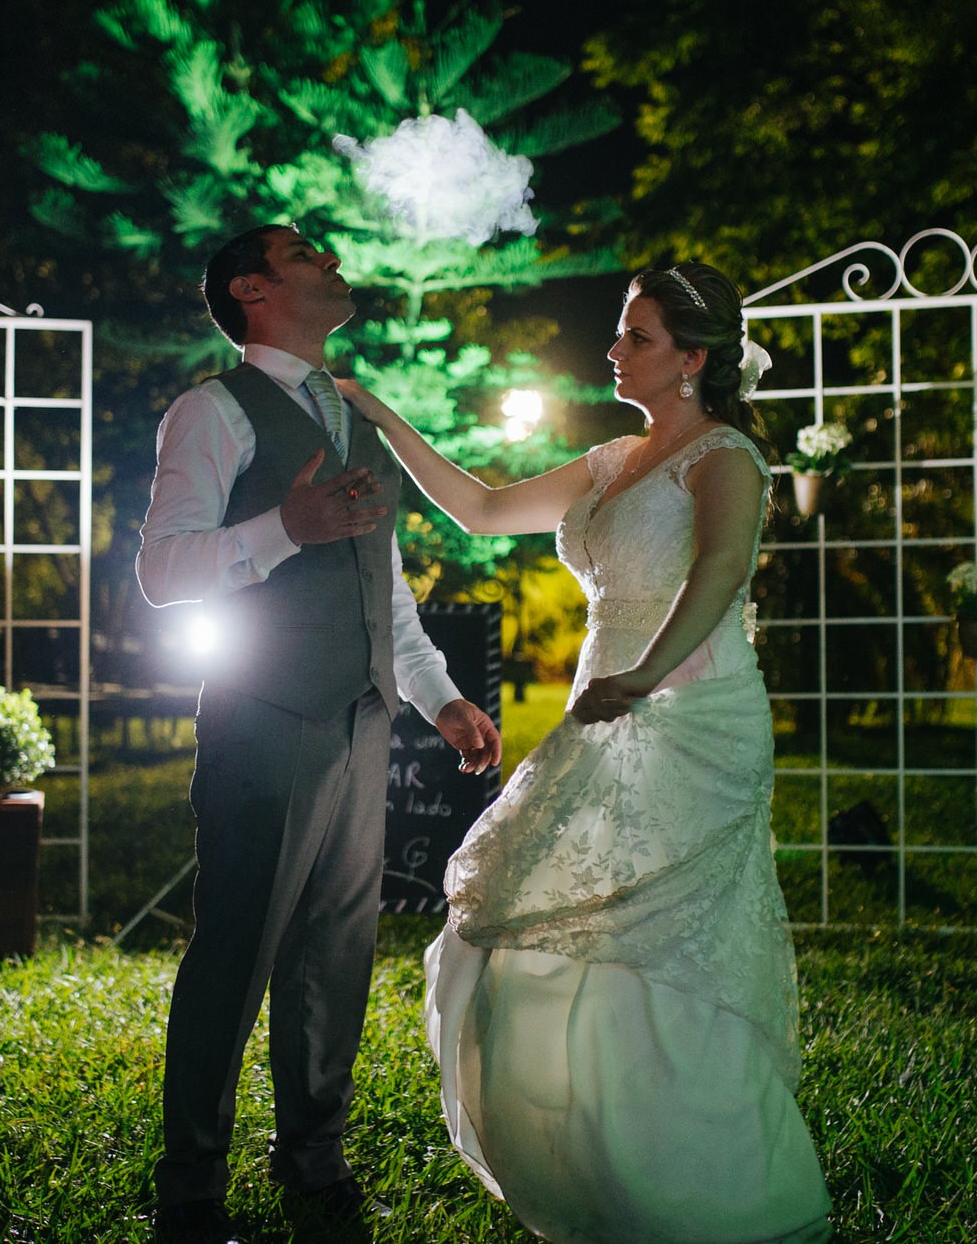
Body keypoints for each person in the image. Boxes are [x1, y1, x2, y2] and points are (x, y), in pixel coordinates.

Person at [337, 262, 833, 1243]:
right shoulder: (613, 460)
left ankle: (714, 1186)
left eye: (636, 337)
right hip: (603, 706)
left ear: (692, 360)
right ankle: (609, 1168)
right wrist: (378, 413)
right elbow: (479, 508)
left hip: (691, 717)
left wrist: (644, 678)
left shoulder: (726, 455)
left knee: (663, 947)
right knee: (525, 917)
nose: (612, 349)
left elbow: (722, 571)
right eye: (617, 332)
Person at [137, 223, 503, 1244]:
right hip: (263, 718)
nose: (332, 262)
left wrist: (436, 696)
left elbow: (381, 589)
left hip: (363, 722)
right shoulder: (208, 413)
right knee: (236, 952)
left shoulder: (352, 418)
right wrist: (280, 532)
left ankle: (312, 1159)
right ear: (252, 289)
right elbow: (161, 574)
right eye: (306, 255)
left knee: (335, 955)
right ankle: (191, 1188)